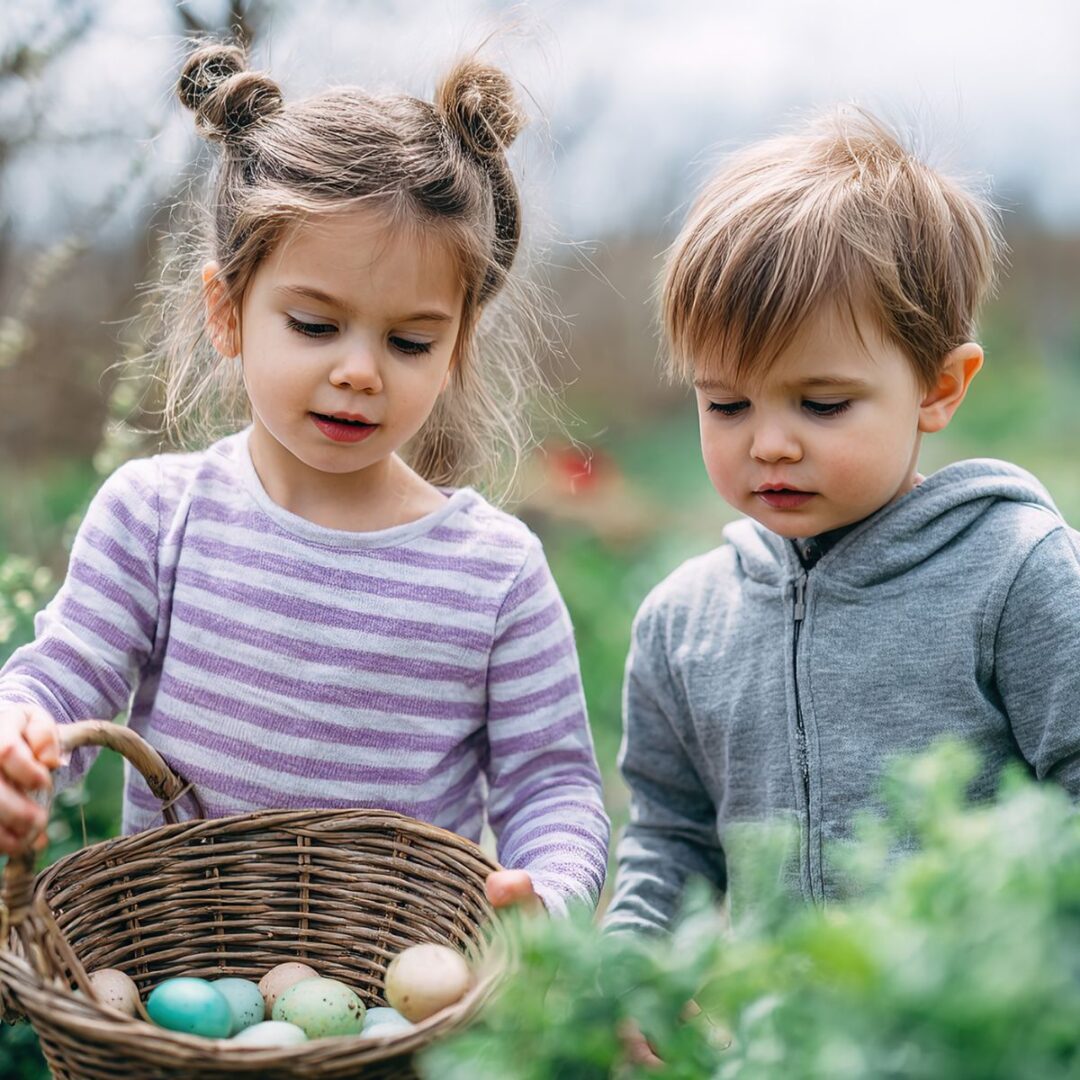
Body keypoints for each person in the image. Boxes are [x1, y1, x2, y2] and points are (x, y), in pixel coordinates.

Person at [0, 43, 609, 917]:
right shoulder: (156, 518)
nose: (361, 370)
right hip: (178, 983)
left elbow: (553, 791)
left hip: (396, 1001)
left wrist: (545, 895)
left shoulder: (495, 575)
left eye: (410, 342)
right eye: (316, 324)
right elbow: (60, 688)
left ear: (457, 348)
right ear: (227, 311)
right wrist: (21, 746)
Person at [604, 107, 1080, 935]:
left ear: (939, 387)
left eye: (822, 404)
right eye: (727, 404)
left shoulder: (1018, 574)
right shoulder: (683, 624)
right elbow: (669, 839)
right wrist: (633, 965)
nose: (771, 443)